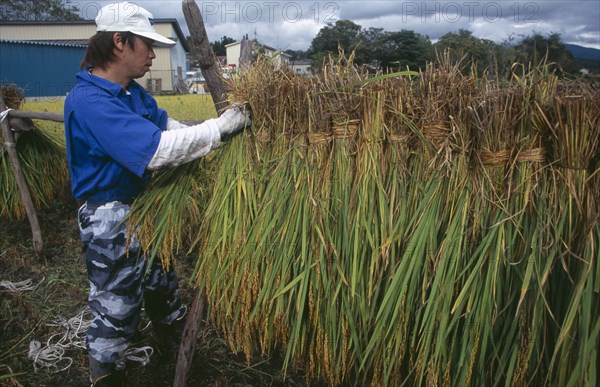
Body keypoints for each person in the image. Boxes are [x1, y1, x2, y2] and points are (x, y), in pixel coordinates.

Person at [63, 2, 250, 386]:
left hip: (146, 207)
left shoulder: (132, 95)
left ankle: (172, 342)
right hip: (110, 218)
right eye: (146, 45)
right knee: (117, 303)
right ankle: (106, 371)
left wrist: (213, 135)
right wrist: (219, 128)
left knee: (161, 282)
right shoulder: (90, 101)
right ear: (119, 42)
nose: (152, 54)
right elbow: (157, 151)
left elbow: (170, 127)